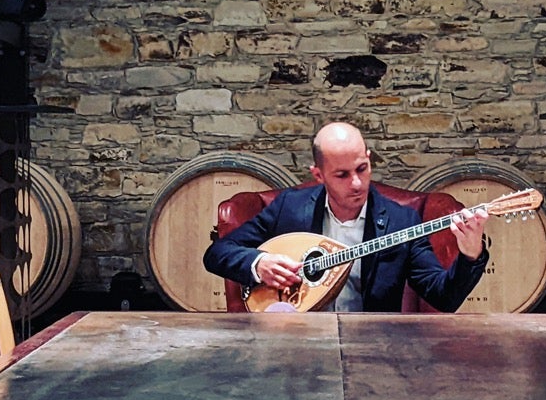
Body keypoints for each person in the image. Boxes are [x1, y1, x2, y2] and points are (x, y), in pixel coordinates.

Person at [203, 122, 490, 312]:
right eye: (341, 175)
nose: (356, 183)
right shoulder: (290, 208)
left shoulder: (401, 221)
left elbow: (444, 297)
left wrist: (470, 255)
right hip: (297, 340)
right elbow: (217, 254)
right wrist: (259, 263)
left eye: (362, 169)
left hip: (370, 347)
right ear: (318, 175)